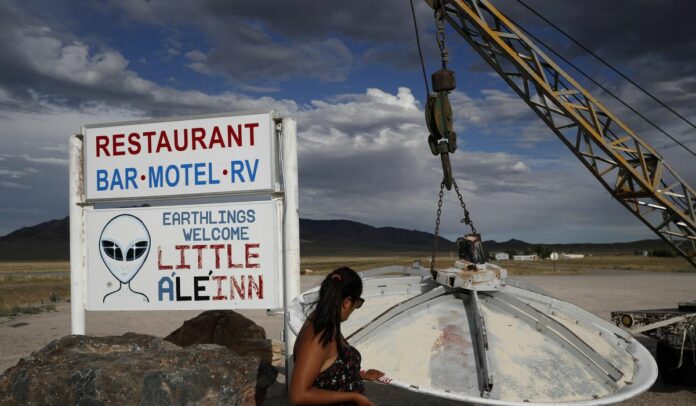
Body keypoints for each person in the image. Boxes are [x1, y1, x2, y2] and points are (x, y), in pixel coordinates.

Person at [290, 267, 384, 406]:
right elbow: (299, 395)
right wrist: (355, 398)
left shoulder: (326, 321)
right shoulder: (319, 335)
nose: (354, 308)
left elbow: (327, 370)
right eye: (357, 303)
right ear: (347, 302)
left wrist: (360, 374)